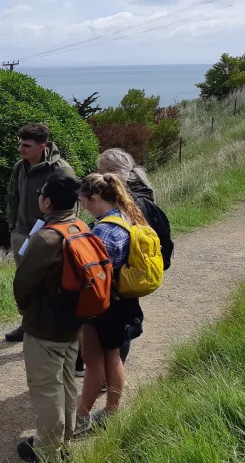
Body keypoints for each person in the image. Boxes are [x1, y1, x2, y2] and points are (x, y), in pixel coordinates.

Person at [75, 148, 173, 377]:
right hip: (135, 271)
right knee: (120, 327)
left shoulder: (127, 202)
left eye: (100, 172)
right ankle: (107, 372)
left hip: (119, 276)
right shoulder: (145, 194)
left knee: (112, 331)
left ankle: (105, 375)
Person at [13, 173, 83, 462]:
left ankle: (46, 452)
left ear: (47, 202)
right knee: (67, 382)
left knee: (46, 388)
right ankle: (64, 442)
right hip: (75, 323)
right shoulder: (79, 226)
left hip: (46, 326)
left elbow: (23, 282)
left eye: (41, 193)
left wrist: (24, 308)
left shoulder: (46, 238)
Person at [74, 174, 148, 434]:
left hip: (103, 304)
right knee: (114, 356)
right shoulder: (127, 216)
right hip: (124, 300)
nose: (83, 207)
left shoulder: (103, 229)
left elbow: (94, 273)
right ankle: (111, 410)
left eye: (84, 202)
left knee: (92, 361)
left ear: (95, 199)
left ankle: (81, 417)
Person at [5, 124, 76, 343]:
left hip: (49, 238)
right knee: (25, 282)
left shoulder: (60, 169)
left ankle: (53, 330)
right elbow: (12, 197)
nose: (21, 149)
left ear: (42, 146)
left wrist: (60, 236)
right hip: (22, 234)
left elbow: (71, 207)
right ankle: (27, 325)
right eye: (19, 144)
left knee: (49, 285)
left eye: (26, 145)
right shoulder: (20, 167)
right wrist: (13, 228)